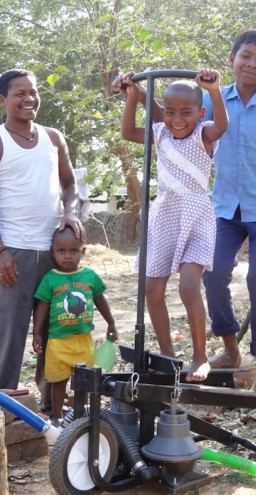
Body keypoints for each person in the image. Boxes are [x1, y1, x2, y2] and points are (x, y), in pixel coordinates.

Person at [114, 28, 256, 398]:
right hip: (222, 207)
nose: (252, 64)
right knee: (214, 275)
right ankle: (231, 349)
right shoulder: (209, 95)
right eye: (245, 56)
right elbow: (171, 121)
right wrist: (137, 96)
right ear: (232, 58)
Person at [115, 69, 228, 382]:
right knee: (152, 289)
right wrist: (131, 96)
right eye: (170, 112)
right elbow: (127, 132)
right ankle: (167, 355)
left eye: (186, 113)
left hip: (196, 216)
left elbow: (223, 125)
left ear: (199, 113)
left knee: (189, 285)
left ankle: (200, 356)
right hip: (165, 214)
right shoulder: (160, 133)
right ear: (163, 112)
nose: (178, 120)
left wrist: (214, 90)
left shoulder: (203, 134)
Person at [0, 69, 85, 413]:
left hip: (54, 251)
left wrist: (71, 212)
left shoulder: (53, 138)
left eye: (33, 92)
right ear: (3, 100)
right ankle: (5, 408)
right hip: (14, 252)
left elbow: (69, 185)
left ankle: (50, 406)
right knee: (10, 332)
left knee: (55, 330)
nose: (29, 99)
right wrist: (2, 250)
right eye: (19, 93)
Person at [32, 226, 117, 422]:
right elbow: (42, 307)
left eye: (74, 251)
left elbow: (100, 299)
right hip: (57, 342)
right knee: (58, 382)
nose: (67, 256)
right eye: (61, 251)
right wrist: (37, 333)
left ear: (83, 251)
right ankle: (58, 417)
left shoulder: (89, 276)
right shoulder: (50, 278)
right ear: (53, 253)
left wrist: (111, 322)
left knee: (84, 382)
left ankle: (81, 415)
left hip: (83, 340)